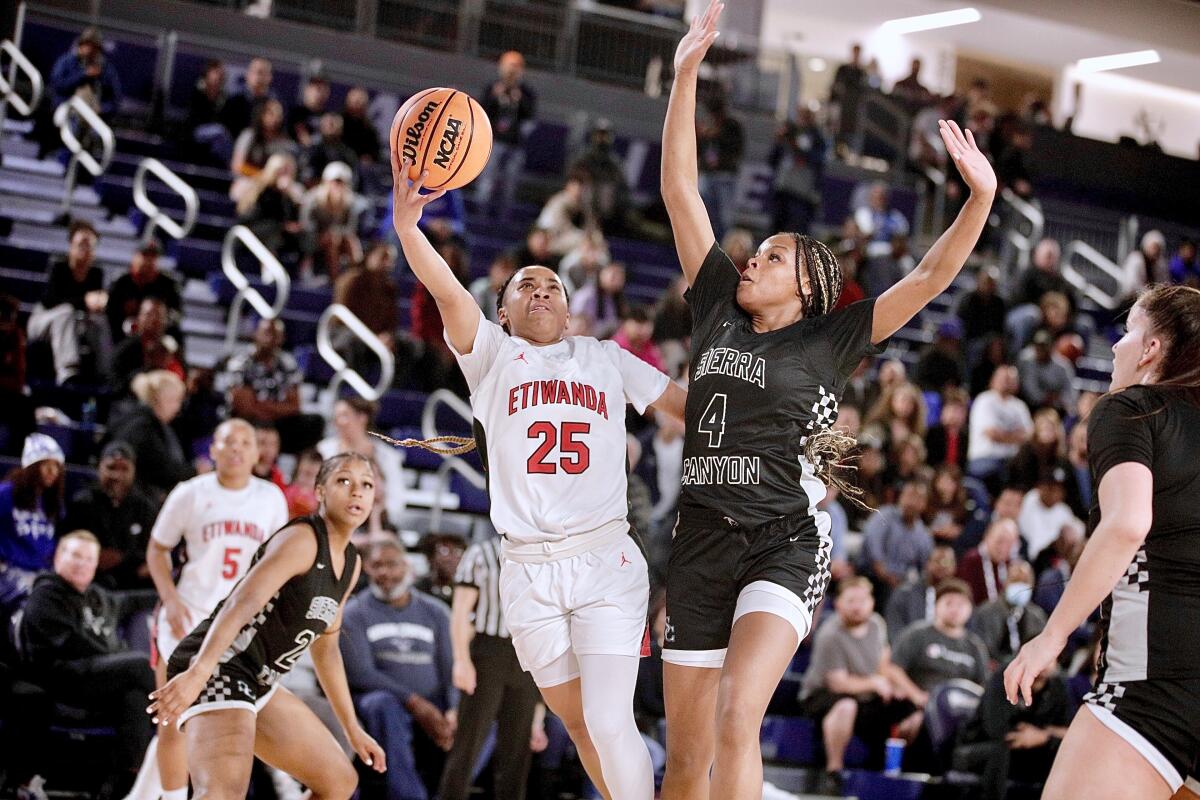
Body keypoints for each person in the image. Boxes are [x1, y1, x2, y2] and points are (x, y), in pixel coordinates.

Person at [659, 4, 996, 796]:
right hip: (703, 535)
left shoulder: (831, 338)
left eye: (773, 256)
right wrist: (684, 75)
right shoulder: (715, 304)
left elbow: (928, 279)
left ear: (808, 286)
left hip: (784, 538)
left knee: (742, 716)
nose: (751, 260)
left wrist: (977, 200)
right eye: (755, 251)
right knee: (684, 758)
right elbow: (680, 188)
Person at [391, 150, 687, 800]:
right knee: (577, 722)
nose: (542, 290)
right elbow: (445, 290)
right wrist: (410, 230)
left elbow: (683, 409)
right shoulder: (492, 357)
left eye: (552, 284)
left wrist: (755, 434)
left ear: (571, 309)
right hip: (525, 569)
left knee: (610, 720)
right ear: (502, 313)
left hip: (605, 557)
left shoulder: (606, 356)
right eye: (527, 284)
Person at [1005, 285, 1200, 800]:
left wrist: (1052, 636)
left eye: (1128, 330)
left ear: (1152, 348)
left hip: (1152, 692)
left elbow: (1127, 524)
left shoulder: (1129, 409)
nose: (1115, 347)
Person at [146, 454, 387, 800]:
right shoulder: (302, 539)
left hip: (259, 679)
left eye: (366, 485)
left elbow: (327, 647)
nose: (356, 493)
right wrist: (200, 672)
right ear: (320, 491)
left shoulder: (351, 563)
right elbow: (239, 604)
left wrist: (352, 729)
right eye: (344, 481)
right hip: (221, 666)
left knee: (338, 782)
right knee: (222, 793)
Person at [128, 419, 288, 800]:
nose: (236, 448)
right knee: (170, 719)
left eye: (245, 442)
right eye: (227, 441)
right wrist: (169, 596)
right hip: (186, 615)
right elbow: (157, 549)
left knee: (229, 722)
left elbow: (276, 564)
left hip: (237, 625)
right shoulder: (189, 493)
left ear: (257, 453)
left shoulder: (271, 498)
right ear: (212, 450)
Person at [19, 531, 156, 798]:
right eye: (75, 555)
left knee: (134, 696)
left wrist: (172, 592)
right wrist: (116, 658)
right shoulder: (46, 595)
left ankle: (127, 783)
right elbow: (72, 645)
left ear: (96, 565)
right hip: (61, 680)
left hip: (97, 680)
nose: (82, 563)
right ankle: (181, 726)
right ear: (59, 557)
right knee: (140, 665)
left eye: (88, 558)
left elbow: (135, 599)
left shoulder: (98, 596)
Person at [340, 536, 457, 800]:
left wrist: (453, 708)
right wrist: (414, 701)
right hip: (381, 700)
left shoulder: (436, 612)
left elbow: (451, 668)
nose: (384, 573)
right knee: (383, 705)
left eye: (391, 564)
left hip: (434, 698)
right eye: (376, 565)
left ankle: (447, 792)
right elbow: (361, 674)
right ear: (367, 569)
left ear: (407, 566)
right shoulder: (353, 613)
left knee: (483, 718)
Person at [438, 535, 543, 800]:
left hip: (527, 653)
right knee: (469, 744)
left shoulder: (546, 552)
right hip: (487, 652)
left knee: (518, 752)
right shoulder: (482, 553)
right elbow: (461, 612)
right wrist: (461, 660)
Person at [798, 578, 922, 794]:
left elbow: (883, 661)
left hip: (865, 695)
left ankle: (890, 769)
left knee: (912, 712)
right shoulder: (830, 633)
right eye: (851, 600)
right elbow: (837, 683)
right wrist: (875, 683)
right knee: (846, 706)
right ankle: (833, 772)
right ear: (838, 604)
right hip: (822, 695)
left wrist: (891, 685)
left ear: (872, 602)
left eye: (863, 600)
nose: (857, 606)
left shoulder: (877, 624)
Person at [954, 664, 1072, 800]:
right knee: (1002, 752)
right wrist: (1028, 737)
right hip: (977, 749)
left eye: (1053, 658)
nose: (1048, 662)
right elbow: (994, 730)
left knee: (1061, 754)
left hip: (1026, 754)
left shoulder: (1058, 686)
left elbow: (1067, 731)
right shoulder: (1005, 676)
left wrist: (1041, 736)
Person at [219, 317, 325, 454]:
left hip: (279, 424)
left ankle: (301, 469)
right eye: (267, 333)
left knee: (314, 422)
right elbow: (246, 408)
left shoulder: (288, 364)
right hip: (248, 421)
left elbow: (295, 406)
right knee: (246, 423)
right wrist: (279, 407)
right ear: (256, 334)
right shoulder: (240, 363)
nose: (271, 339)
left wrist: (262, 405)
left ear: (282, 339)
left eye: (276, 335)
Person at [62, 441, 159, 591]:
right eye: (111, 468)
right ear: (99, 467)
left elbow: (150, 555)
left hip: (132, 584)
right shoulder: (82, 504)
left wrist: (122, 558)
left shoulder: (145, 507)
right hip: (91, 580)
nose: (117, 476)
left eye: (124, 469)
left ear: (134, 471)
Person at [26, 220, 111, 386]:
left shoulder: (96, 273)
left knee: (99, 321)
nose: (84, 249)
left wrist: (101, 302)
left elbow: (93, 307)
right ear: (71, 245)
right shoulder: (59, 267)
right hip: (43, 320)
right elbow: (50, 301)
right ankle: (68, 372)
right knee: (66, 311)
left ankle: (106, 373)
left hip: (76, 324)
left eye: (89, 245)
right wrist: (85, 301)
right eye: (81, 244)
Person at [891, 578, 989, 695]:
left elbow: (982, 685)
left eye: (961, 604)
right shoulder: (917, 634)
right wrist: (916, 696)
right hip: (922, 704)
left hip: (964, 708)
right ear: (936, 605)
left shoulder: (975, 645)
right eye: (949, 603)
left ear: (970, 609)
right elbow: (894, 668)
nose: (955, 609)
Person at [317, 397, 406, 523]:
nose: (337, 421)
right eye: (336, 416)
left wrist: (376, 514)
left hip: (376, 521)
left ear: (362, 418)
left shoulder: (387, 455)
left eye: (344, 415)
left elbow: (397, 500)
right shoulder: (323, 450)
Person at [107, 370, 194, 497]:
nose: (178, 408)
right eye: (176, 400)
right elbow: (163, 471)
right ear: (161, 399)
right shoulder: (143, 428)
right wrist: (196, 471)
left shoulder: (137, 417)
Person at [0, 434, 65, 603]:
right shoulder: (6, 493)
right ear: (31, 466)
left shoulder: (52, 502)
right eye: (46, 464)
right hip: (10, 573)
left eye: (56, 466)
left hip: (42, 574)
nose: (52, 471)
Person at [476, 50, 537, 218]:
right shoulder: (492, 88)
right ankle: (481, 214)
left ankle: (504, 217)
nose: (511, 72)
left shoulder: (527, 93)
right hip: (493, 142)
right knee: (487, 181)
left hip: (515, 144)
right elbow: (481, 113)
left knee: (509, 185)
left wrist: (519, 100)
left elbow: (530, 119)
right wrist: (495, 96)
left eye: (515, 68)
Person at [861, 479, 934, 605]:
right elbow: (873, 552)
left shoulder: (923, 534)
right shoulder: (884, 515)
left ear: (925, 504)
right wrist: (888, 577)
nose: (912, 502)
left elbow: (925, 566)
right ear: (901, 497)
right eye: (910, 496)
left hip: (902, 581)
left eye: (918, 499)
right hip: (873, 576)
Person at [967, 365, 1033, 490]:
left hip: (1013, 461)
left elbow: (1029, 436)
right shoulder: (984, 400)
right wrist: (1016, 435)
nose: (1006, 382)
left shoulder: (1020, 406)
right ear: (993, 380)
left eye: (1010, 379)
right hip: (985, 458)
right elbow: (992, 434)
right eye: (1003, 378)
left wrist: (1004, 435)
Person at [970, 559, 1044, 665]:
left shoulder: (1037, 616)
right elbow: (981, 648)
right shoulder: (986, 612)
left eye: (1024, 582)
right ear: (1005, 582)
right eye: (1015, 581)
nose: (1020, 587)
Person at [106, 242, 182, 344]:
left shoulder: (167, 284)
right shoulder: (121, 282)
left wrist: (157, 323)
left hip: (157, 337)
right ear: (134, 258)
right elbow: (110, 313)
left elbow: (176, 314)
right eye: (145, 256)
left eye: (153, 257)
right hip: (123, 334)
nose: (148, 261)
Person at [695, 92, 744, 241]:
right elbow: (700, 149)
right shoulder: (707, 125)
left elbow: (737, 149)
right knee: (704, 213)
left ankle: (726, 249)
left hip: (725, 175)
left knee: (725, 216)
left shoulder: (732, 126)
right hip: (707, 174)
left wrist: (717, 135)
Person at [884, 545, 957, 642]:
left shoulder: (960, 598)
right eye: (937, 561)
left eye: (947, 562)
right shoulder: (904, 593)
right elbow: (895, 629)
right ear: (927, 564)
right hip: (911, 650)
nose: (942, 566)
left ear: (955, 567)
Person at [957, 518, 1019, 606]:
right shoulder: (972, 560)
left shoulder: (1011, 565)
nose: (1003, 548)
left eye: (1009, 543)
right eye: (999, 541)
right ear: (987, 537)